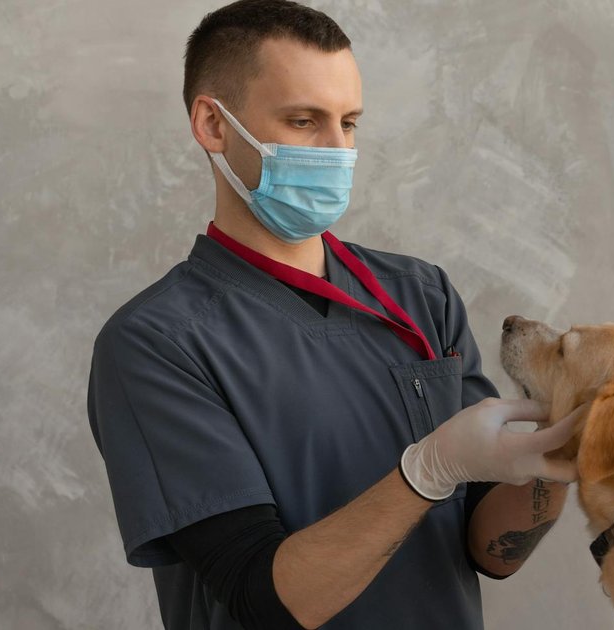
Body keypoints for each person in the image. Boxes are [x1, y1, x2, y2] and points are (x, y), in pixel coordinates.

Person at [86, 2, 579, 628]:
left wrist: (555, 460)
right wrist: (429, 469)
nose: (337, 150)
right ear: (213, 124)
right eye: (303, 121)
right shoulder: (156, 344)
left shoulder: (421, 295)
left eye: (349, 123)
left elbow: (491, 552)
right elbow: (262, 600)